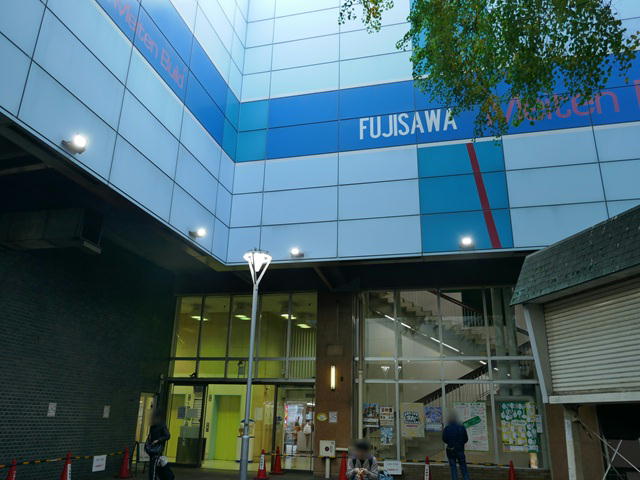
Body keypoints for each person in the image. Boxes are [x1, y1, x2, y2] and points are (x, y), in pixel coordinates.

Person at [442, 412, 470, 480]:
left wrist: (450, 443)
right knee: (463, 466)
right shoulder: (461, 427)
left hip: (450, 450)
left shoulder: (447, 428)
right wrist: (460, 444)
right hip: (460, 450)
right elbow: (466, 439)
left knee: (453, 468)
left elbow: (444, 439)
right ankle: (466, 478)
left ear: (449, 420)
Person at [145, 411, 172, 480]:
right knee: (155, 466)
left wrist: (158, 440)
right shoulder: (152, 426)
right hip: (152, 448)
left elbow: (167, 436)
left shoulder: (162, 426)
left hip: (157, 449)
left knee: (153, 467)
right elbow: (150, 436)